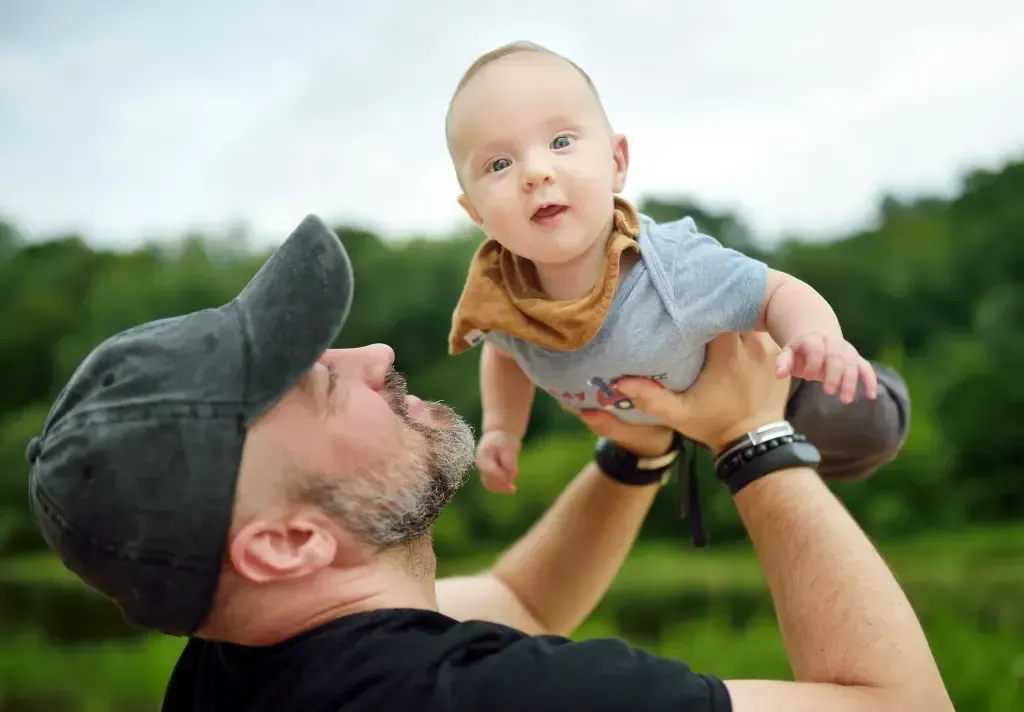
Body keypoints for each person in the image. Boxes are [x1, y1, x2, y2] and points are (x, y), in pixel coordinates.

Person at [25, 214, 952, 711]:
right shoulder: (490, 700)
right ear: (288, 542)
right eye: (316, 385)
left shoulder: (242, 664)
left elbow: (521, 604)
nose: (375, 355)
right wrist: (753, 436)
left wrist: (638, 455)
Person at [443, 42, 911, 533]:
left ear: (617, 162)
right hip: (663, 429)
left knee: (870, 427)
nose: (536, 172)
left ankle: (875, 400)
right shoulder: (498, 300)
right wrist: (502, 428)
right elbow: (504, 353)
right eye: (499, 164)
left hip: (781, 388)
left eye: (561, 141)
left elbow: (777, 293)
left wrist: (816, 338)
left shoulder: (671, 267)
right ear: (475, 212)